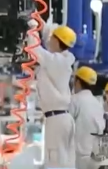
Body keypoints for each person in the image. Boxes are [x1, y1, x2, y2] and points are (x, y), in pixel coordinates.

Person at [27, 22, 77, 168]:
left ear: (57, 41)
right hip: (60, 118)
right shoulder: (60, 61)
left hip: (56, 119)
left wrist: (31, 28)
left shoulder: (57, 61)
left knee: (55, 160)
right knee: (62, 160)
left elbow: (34, 49)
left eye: (51, 38)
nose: (49, 41)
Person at [70, 66, 105, 169]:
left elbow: (65, 126)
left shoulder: (74, 100)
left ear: (77, 82)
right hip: (95, 155)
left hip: (77, 157)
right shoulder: (97, 103)